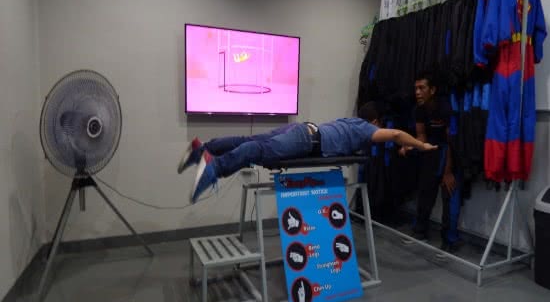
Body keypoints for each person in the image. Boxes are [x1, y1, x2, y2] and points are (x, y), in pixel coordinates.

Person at [179, 102, 438, 203]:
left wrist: (403, 146)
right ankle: (213, 168)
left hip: (303, 130)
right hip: (307, 140)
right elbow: (394, 134)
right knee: (257, 149)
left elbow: (392, 141)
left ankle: (203, 149)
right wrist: (421, 144)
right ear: (375, 122)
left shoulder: (349, 122)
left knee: (249, 140)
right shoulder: (365, 130)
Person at [400, 72, 461, 252]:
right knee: (425, 191)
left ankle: (449, 241)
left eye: (421, 88)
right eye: (415, 88)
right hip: (430, 151)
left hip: (448, 152)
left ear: (432, 90)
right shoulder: (418, 110)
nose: (417, 92)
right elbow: (421, 136)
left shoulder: (444, 107)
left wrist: (447, 171)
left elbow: (451, 141)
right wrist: (410, 146)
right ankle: (420, 231)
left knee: (449, 193)